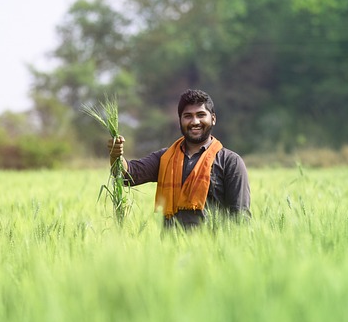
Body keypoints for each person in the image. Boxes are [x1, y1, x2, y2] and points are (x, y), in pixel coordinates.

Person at [107, 89, 251, 229]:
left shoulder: (230, 162)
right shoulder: (165, 157)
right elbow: (127, 176)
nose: (195, 122)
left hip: (212, 251)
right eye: (188, 116)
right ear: (180, 120)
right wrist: (116, 155)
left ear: (213, 118)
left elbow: (240, 217)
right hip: (171, 251)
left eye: (201, 115)